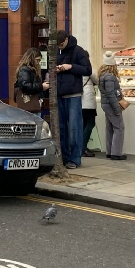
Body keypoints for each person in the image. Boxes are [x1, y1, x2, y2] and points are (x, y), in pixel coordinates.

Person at [56, 30, 92, 169]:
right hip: (59, 93)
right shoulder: (56, 51)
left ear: (67, 39)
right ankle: (64, 157)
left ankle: (75, 159)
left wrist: (70, 67)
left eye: (62, 44)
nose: (60, 47)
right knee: (62, 128)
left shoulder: (78, 51)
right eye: (58, 45)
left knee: (74, 128)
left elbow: (87, 69)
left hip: (73, 94)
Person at [98, 51, 127, 161]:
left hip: (105, 105)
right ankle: (116, 153)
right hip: (111, 105)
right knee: (119, 127)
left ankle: (110, 151)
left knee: (109, 127)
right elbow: (111, 94)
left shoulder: (102, 75)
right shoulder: (110, 77)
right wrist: (117, 108)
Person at [14, 47, 49, 116]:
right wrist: (41, 87)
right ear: (31, 59)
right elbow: (25, 85)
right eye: (37, 60)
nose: (38, 62)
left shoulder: (30, 69)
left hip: (32, 104)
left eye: (39, 60)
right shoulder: (25, 70)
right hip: (29, 105)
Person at [82, 50, 98, 157]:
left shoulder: (76, 68)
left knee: (83, 124)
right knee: (91, 123)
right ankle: (83, 147)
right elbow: (97, 80)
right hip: (88, 101)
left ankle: (80, 147)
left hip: (80, 101)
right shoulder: (88, 69)